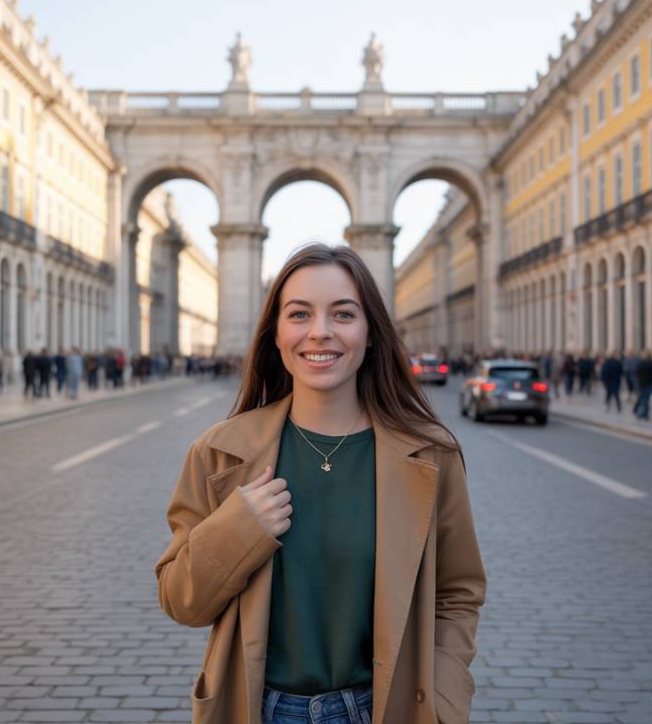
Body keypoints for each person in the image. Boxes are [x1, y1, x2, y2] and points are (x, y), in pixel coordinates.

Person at [154, 244, 485, 723]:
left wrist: (445, 695)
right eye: (299, 313)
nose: (320, 331)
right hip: (260, 710)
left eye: (343, 314)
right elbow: (180, 601)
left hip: (386, 709)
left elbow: (457, 591)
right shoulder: (219, 453)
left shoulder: (432, 454)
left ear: (371, 332)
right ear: (276, 334)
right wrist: (238, 530)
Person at [634, 351, 652, 420]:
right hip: (649, 384)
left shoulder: (640, 364)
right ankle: (644, 414)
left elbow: (637, 373)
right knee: (646, 399)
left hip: (642, 384)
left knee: (643, 399)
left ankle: (642, 413)